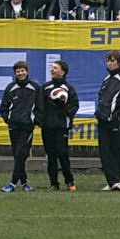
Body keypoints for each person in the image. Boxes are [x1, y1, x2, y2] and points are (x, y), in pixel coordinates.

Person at [35, 60, 80, 191]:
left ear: (63, 71)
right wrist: (40, 120)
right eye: (51, 68)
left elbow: (74, 106)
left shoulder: (69, 88)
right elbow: (39, 105)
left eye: (55, 68)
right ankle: (54, 183)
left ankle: (69, 181)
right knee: (51, 155)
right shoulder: (45, 87)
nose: (52, 70)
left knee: (62, 153)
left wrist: (63, 110)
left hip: (61, 126)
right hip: (47, 126)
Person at [96, 50, 120, 192]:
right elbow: (102, 100)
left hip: (117, 121)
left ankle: (117, 180)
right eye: (108, 60)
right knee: (104, 151)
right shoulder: (107, 79)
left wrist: (119, 116)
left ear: (119, 62)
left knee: (117, 151)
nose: (110, 63)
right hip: (103, 121)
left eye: (113, 60)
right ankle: (112, 180)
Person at [0, 60, 41, 192]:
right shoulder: (10, 88)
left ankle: (12, 183)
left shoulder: (35, 87)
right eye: (18, 71)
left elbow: (40, 107)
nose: (20, 73)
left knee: (20, 153)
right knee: (18, 156)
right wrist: (9, 120)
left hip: (27, 127)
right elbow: (4, 107)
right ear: (15, 73)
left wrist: (34, 121)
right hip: (13, 126)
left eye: (22, 70)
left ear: (27, 71)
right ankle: (24, 183)